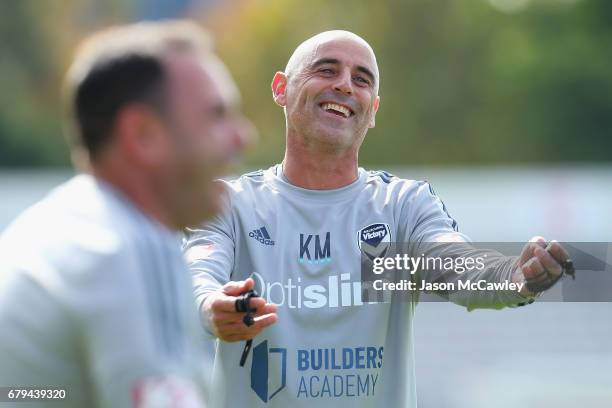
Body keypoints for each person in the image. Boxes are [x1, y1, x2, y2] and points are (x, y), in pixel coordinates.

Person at [183, 30, 571, 407]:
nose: (346, 85)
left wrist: (516, 277)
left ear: (373, 112)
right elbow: (198, 273)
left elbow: (456, 265)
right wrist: (210, 306)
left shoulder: (403, 205)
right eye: (327, 70)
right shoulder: (227, 203)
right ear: (281, 88)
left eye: (361, 79)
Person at [0, 20, 251, 408]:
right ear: (142, 135)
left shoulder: (52, 227)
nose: (242, 137)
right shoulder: (128, 248)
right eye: (217, 115)